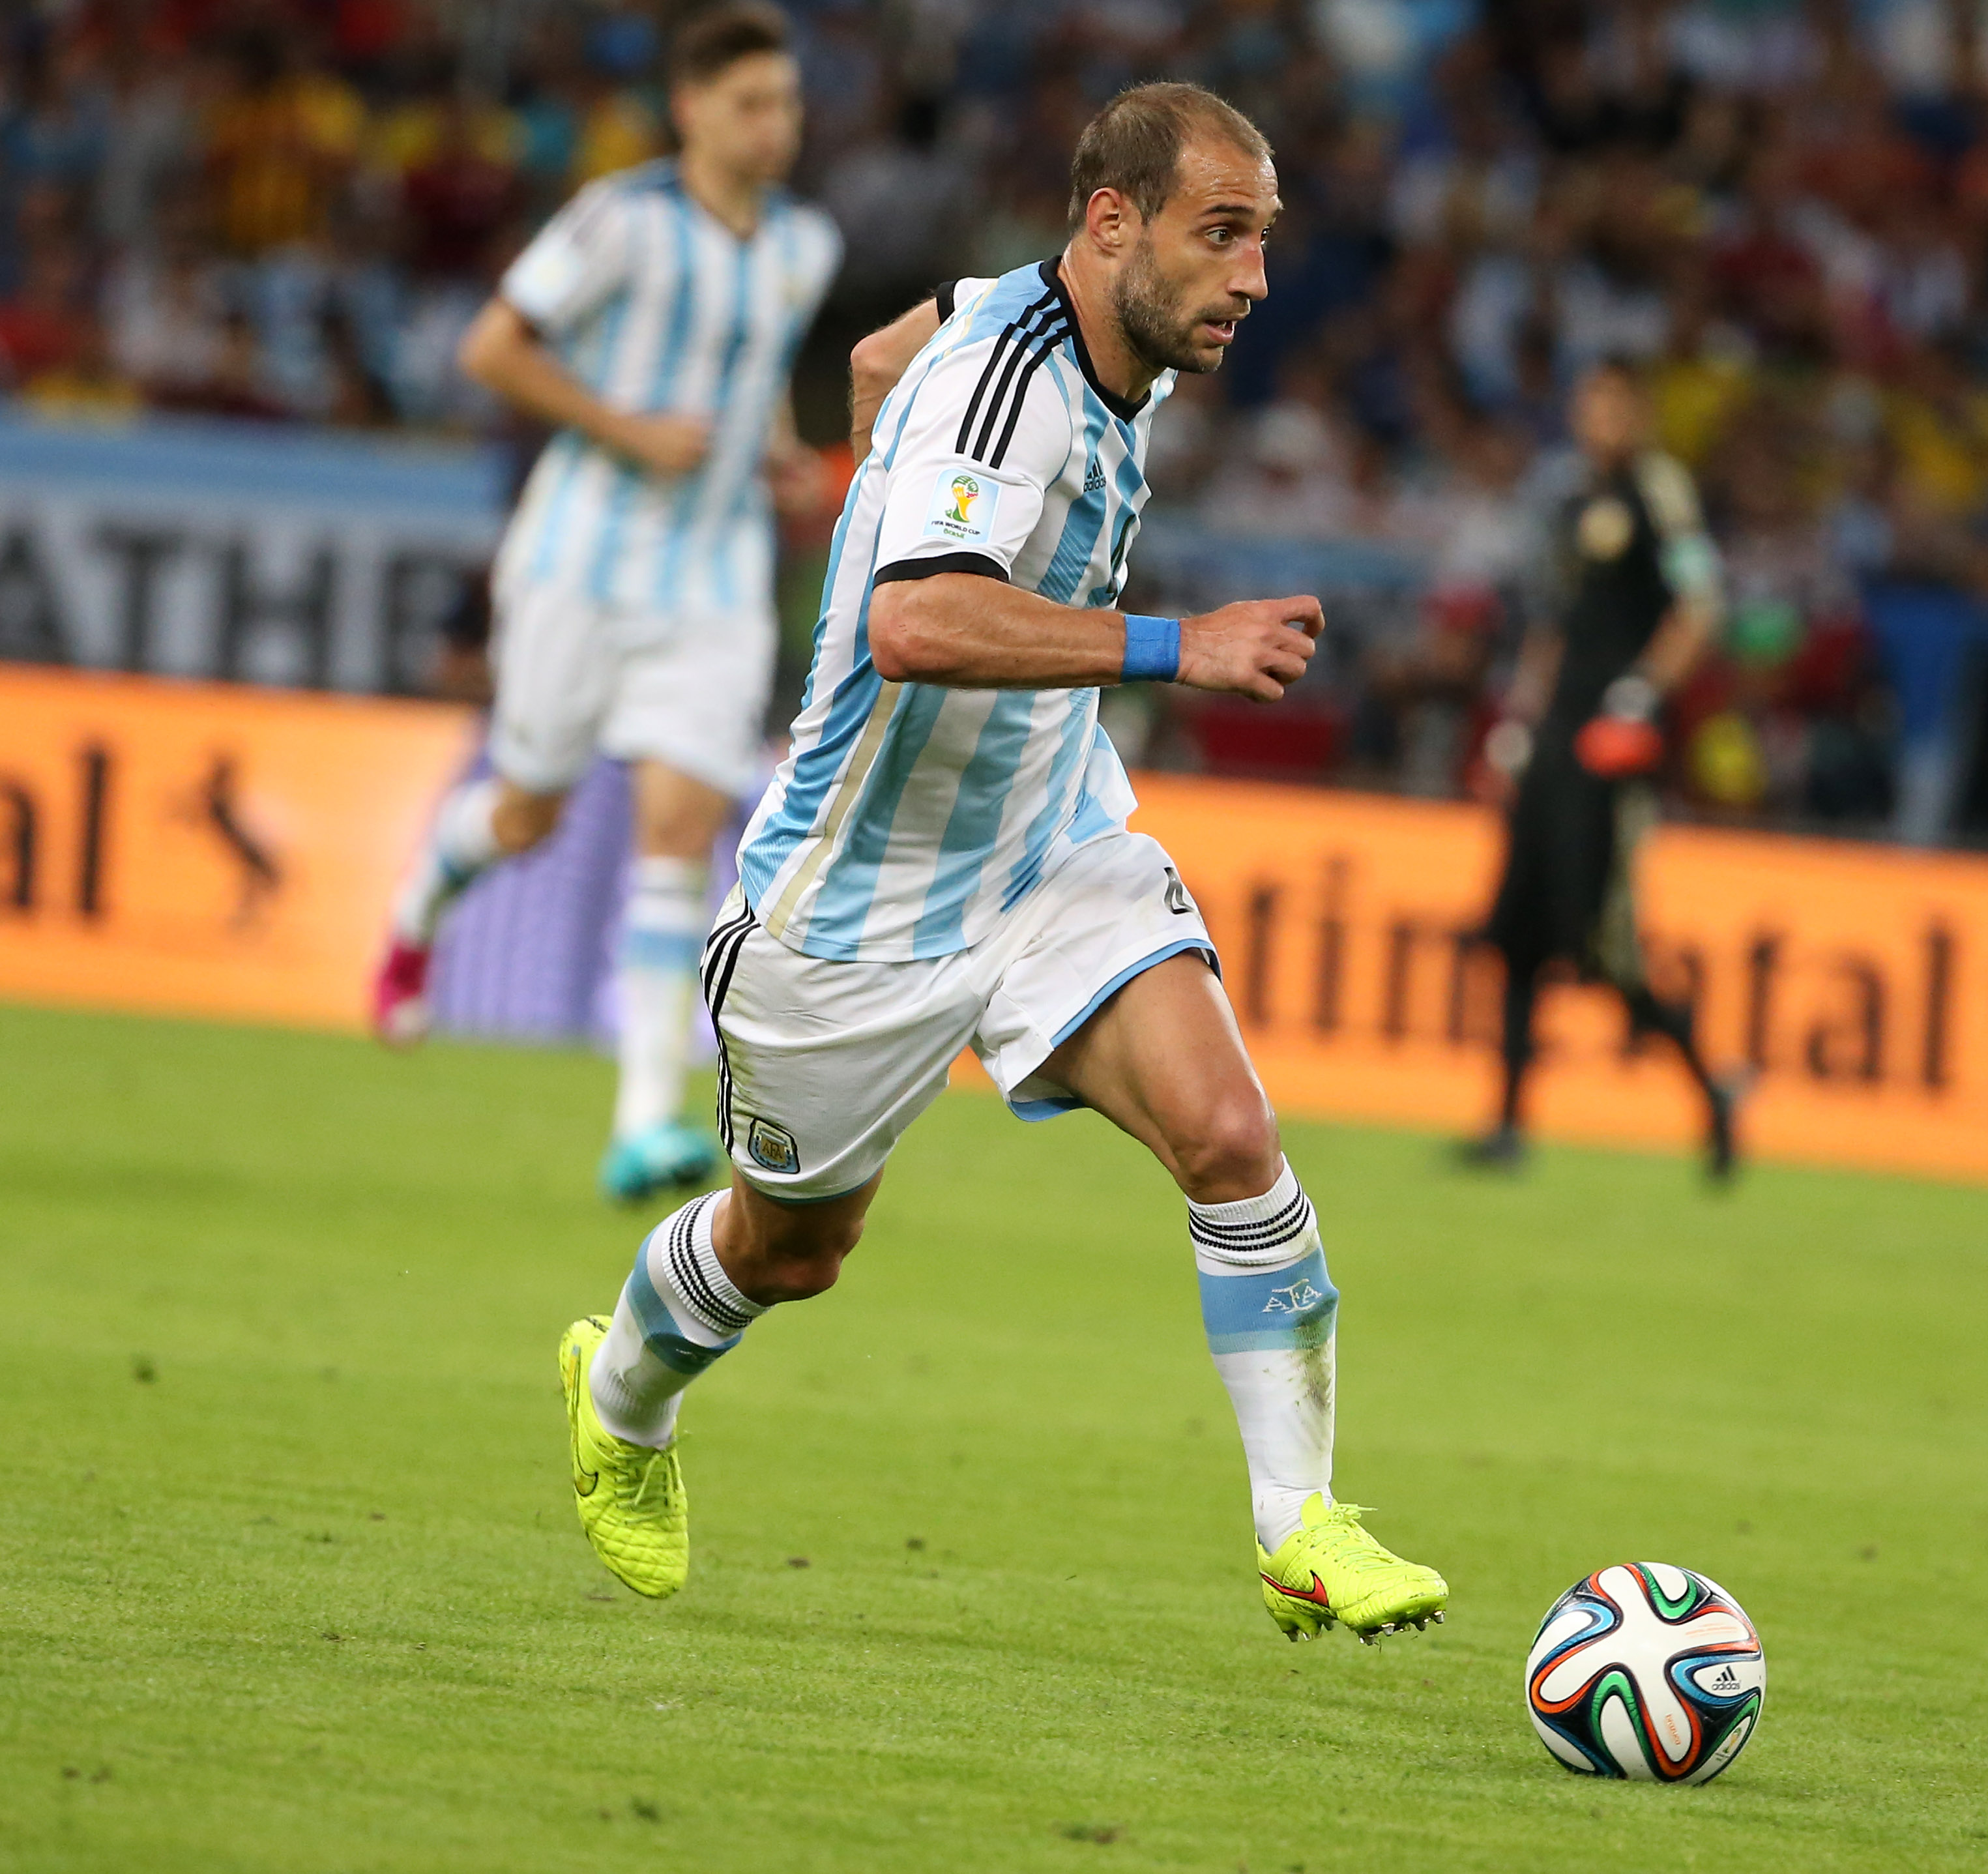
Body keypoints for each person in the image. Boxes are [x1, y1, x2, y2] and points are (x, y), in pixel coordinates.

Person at [552, 82, 1450, 1645]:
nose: (1251, 276)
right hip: (851, 903)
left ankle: (1300, 1520)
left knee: (1230, 1131)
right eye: (1219, 235)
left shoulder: (1088, 330)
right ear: (1112, 225)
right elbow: (913, 619)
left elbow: (873, 356)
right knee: (794, 1249)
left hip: (1045, 842)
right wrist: (1178, 641)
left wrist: (870, 484)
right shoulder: (1011, 386)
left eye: (1262, 239)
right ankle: (619, 1399)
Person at [370, 5, 841, 1204]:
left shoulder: (805, 245)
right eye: (750, 104)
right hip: (582, 561)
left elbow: (755, 377)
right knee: (526, 811)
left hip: (715, 578)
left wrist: (779, 455)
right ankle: (422, 900)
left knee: (680, 827)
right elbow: (492, 347)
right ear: (689, 109)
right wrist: (626, 429)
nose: (774, 126)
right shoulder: (619, 220)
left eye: (785, 104)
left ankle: (643, 1122)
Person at [1470, 362, 1746, 1177]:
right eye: (1588, 401)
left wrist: (1639, 694)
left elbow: (1700, 607)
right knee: (1517, 934)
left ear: (1639, 412)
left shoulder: (1659, 494)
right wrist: (1518, 723)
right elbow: (1550, 624)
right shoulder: (1567, 500)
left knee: (1604, 952)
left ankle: (1714, 1089)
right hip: (1556, 737)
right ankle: (1508, 1127)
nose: (1599, 418)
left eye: (1614, 403)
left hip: (1610, 746)